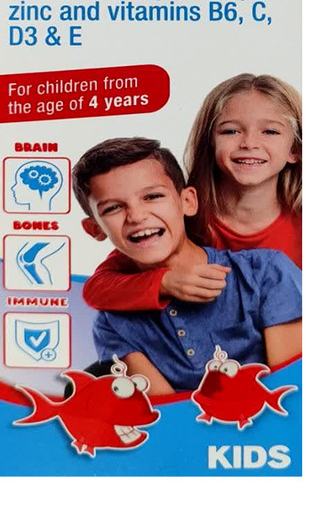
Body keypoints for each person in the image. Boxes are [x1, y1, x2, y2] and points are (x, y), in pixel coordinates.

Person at [72, 137, 302, 394]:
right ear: (94, 229)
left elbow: (292, 391)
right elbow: (166, 412)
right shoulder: (112, 323)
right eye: (113, 208)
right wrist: (164, 282)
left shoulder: (265, 273)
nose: (136, 216)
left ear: (188, 202)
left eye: (153, 196)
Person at [82, 74, 302, 312]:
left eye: (270, 132)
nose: (249, 143)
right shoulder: (183, 213)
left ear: (295, 149)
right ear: (210, 143)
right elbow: (97, 288)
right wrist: (164, 282)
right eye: (230, 131)